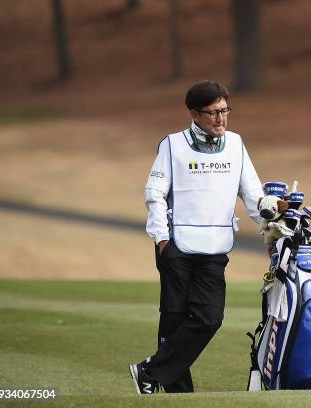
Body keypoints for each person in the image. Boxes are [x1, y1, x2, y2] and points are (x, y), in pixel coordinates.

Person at [130, 80, 264, 394]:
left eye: (225, 111)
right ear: (194, 113)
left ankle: (149, 371)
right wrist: (162, 240)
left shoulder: (236, 144)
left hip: (215, 249)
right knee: (174, 320)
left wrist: (271, 219)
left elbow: (253, 195)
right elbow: (155, 194)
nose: (221, 119)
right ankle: (177, 394)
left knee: (209, 318)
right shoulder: (172, 144)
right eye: (213, 113)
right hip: (176, 246)